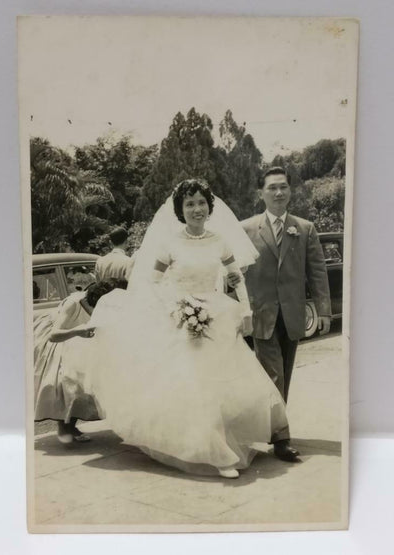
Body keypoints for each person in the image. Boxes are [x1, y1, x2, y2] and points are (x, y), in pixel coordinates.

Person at [78, 179, 290, 479]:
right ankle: (217, 455)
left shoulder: (219, 241)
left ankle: (223, 444)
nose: (196, 209)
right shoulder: (170, 243)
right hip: (181, 319)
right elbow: (152, 282)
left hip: (215, 315)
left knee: (220, 387)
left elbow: (236, 278)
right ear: (180, 209)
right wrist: (176, 308)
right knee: (194, 388)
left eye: (201, 202)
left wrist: (245, 309)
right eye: (189, 204)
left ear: (209, 207)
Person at [241, 166, 332, 460]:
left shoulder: (305, 229)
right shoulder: (246, 229)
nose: (278, 193)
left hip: (292, 316)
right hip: (261, 315)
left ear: (290, 191)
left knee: (285, 374)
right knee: (274, 374)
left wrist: (323, 312)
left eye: (283, 187)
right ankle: (282, 439)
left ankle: (271, 429)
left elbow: (317, 273)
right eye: (272, 188)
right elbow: (235, 274)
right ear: (261, 193)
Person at [34, 279, 124, 444]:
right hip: (61, 340)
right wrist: (77, 331)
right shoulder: (73, 303)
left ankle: (71, 425)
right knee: (64, 384)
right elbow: (54, 335)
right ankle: (64, 427)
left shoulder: (107, 306)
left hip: (80, 344)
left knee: (85, 385)